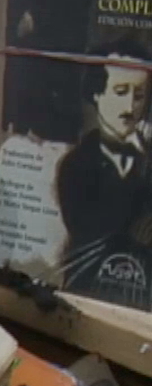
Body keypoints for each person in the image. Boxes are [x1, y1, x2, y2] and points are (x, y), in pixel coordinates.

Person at [56, 48, 152, 308]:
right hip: (89, 294)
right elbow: (96, 226)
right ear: (97, 93)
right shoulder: (76, 164)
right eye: (120, 92)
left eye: (139, 95)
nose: (131, 107)